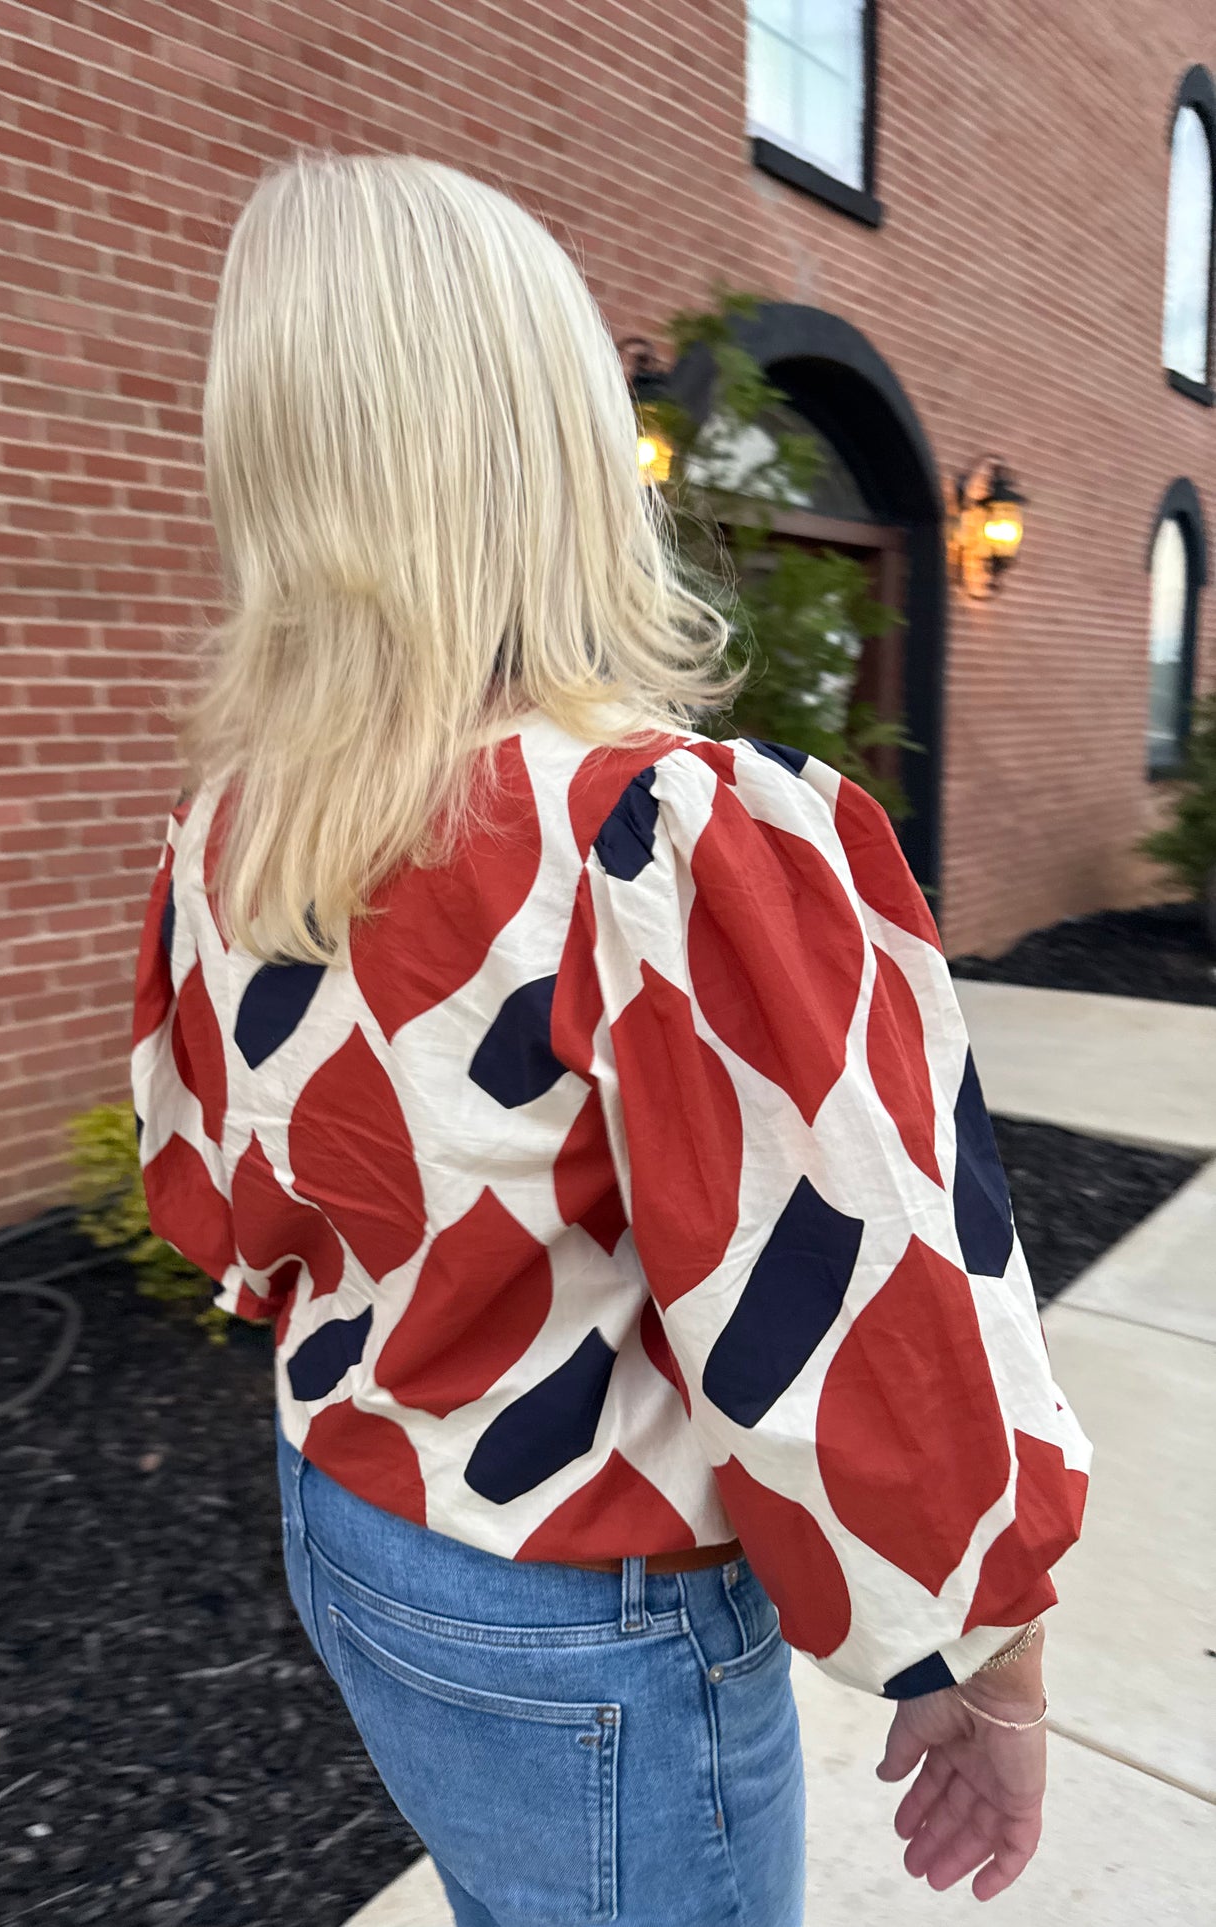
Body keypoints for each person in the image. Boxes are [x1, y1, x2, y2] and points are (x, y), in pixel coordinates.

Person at [129, 151, 1091, 1926]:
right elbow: (863, 1315)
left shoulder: (240, 827)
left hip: (353, 1528)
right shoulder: (653, 835)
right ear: (553, 437)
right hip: (585, 1601)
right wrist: (986, 1657)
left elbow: (223, 1204)